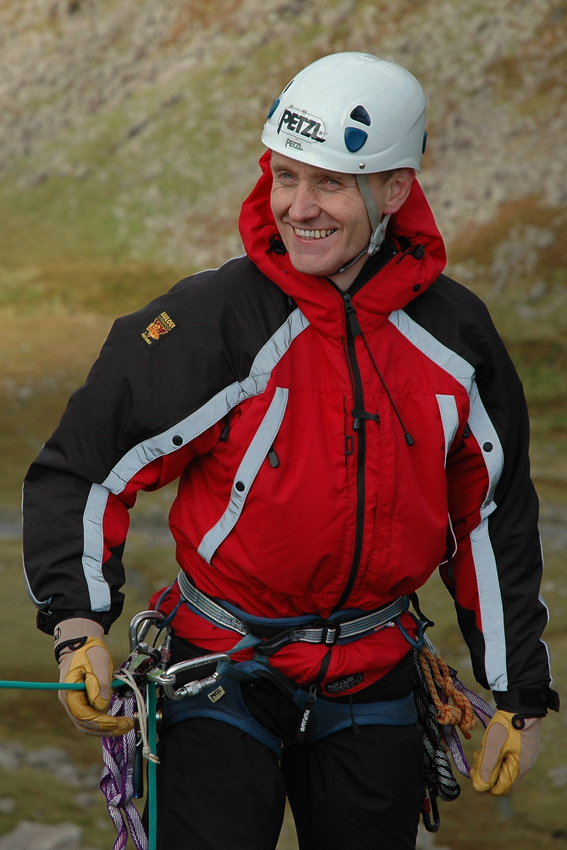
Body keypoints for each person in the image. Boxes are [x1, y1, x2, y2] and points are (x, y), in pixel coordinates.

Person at [23, 52, 558, 850]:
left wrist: (518, 692)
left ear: (395, 189)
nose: (298, 207)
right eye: (284, 177)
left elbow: (489, 516)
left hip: (376, 678)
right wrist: (78, 625)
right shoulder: (211, 320)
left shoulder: (456, 338)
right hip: (216, 671)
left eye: (331, 184)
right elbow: (85, 469)